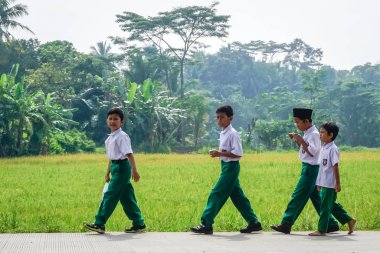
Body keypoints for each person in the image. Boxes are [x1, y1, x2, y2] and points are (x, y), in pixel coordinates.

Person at [191, 105, 262, 235]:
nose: (219, 120)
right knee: (238, 197)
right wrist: (220, 154)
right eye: (217, 118)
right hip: (225, 166)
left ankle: (206, 224)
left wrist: (219, 154)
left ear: (230, 118)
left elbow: (238, 154)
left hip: (231, 167)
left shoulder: (233, 134)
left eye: (222, 117)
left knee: (216, 193)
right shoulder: (223, 132)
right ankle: (254, 222)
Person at [270, 108, 339, 234]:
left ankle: (286, 223)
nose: (297, 125)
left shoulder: (314, 134)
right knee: (317, 199)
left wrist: (299, 139)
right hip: (307, 168)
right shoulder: (308, 132)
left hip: (311, 169)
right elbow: (304, 149)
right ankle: (331, 223)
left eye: (298, 122)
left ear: (306, 121)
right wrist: (298, 140)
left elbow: (312, 152)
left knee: (297, 196)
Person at [84, 108, 145, 234]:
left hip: (123, 168)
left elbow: (129, 154)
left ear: (121, 122)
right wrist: (107, 172)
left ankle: (99, 223)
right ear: (107, 121)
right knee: (127, 198)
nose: (113, 121)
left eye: (116, 119)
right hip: (115, 167)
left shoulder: (122, 137)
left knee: (110, 195)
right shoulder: (109, 138)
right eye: (110, 119)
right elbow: (111, 158)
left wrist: (134, 170)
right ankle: (139, 223)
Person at [309, 122, 356, 236]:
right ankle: (349, 219)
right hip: (324, 182)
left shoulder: (333, 149)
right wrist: (319, 182)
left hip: (330, 183)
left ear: (330, 135)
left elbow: (335, 166)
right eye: (320, 132)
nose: (320, 134)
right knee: (331, 204)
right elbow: (322, 168)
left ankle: (321, 229)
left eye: (323, 132)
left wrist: (337, 183)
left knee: (324, 207)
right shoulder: (324, 148)